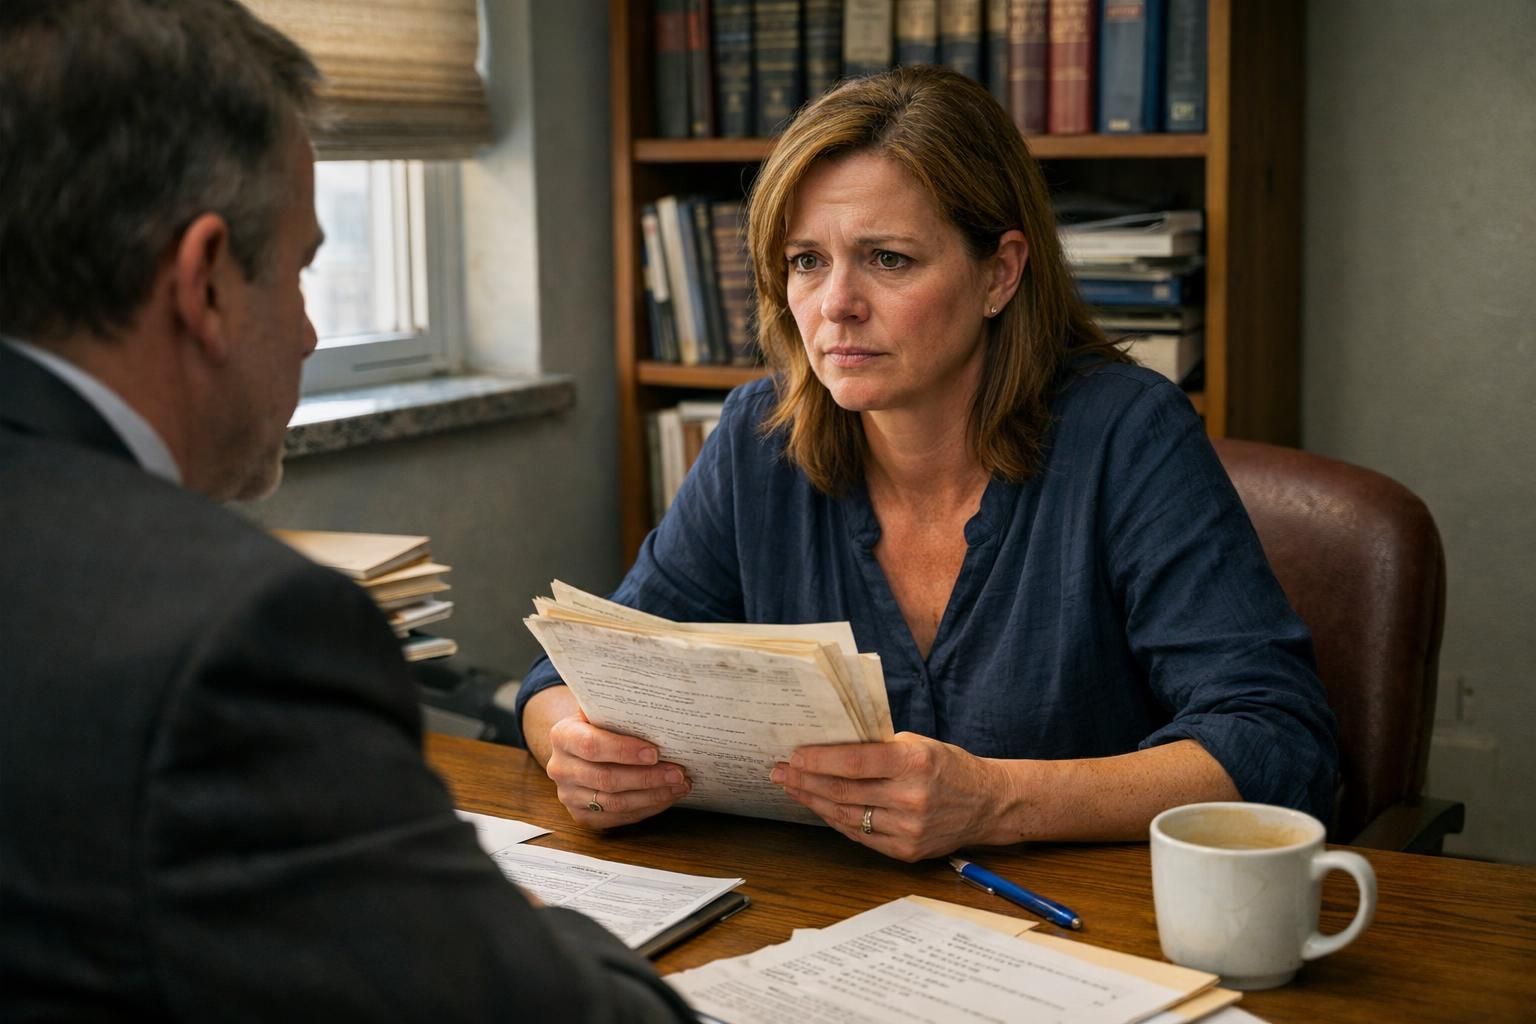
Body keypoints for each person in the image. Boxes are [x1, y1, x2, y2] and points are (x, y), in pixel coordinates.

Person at [0, 2, 696, 1019]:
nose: (314, 328)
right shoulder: (236, 637)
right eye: (299, 266)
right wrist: (513, 912)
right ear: (203, 286)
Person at [517, 66, 1339, 863]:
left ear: (1001, 272)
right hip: (820, 926)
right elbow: (566, 675)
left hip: (1082, 936)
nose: (835, 303)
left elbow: (1277, 747)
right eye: (807, 260)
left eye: (889, 259)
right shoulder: (758, 436)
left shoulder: (1128, 434)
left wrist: (996, 801)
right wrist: (577, 747)